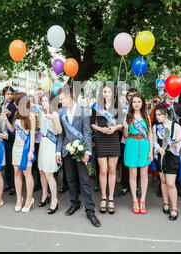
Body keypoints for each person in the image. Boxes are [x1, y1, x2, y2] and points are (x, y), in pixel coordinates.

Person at [56, 88, 100, 227]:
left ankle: (90, 211)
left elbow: (87, 132)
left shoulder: (83, 110)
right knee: (70, 179)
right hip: (67, 150)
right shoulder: (61, 112)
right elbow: (61, 135)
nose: (60, 101)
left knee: (84, 180)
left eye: (62, 98)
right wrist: (58, 152)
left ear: (69, 97)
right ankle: (74, 203)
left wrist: (87, 152)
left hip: (80, 150)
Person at [91, 84, 122, 214]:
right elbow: (92, 124)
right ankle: (103, 196)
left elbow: (121, 124)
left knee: (112, 169)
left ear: (113, 93)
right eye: (104, 91)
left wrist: (114, 128)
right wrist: (101, 129)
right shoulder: (96, 106)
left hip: (113, 139)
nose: (107, 94)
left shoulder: (118, 107)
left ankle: (111, 198)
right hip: (101, 139)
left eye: (109, 91)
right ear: (101, 93)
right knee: (103, 170)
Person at [4, 92, 36, 213]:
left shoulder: (31, 115)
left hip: (26, 148)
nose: (13, 103)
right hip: (16, 147)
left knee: (27, 173)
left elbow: (32, 135)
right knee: (16, 172)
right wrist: (5, 120)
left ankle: (29, 199)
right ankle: (19, 199)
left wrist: (31, 151)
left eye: (14, 101)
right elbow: (13, 130)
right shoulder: (16, 114)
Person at [123, 93, 153, 215]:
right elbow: (125, 136)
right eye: (134, 101)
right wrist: (125, 128)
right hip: (131, 144)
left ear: (142, 103)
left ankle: (143, 200)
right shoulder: (128, 116)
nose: (136, 104)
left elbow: (150, 134)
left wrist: (151, 151)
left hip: (144, 145)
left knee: (144, 174)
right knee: (133, 174)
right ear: (131, 103)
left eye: (139, 101)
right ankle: (135, 200)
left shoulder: (147, 117)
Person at [153, 106, 181, 220]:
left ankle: (174, 208)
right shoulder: (156, 127)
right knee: (163, 181)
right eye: (156, 115)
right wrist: (158, 148)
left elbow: (180, 141)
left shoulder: (176, 126)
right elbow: (154, 141)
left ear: (166, 115)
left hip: (171, 156)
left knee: (170, 183)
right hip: (161, 155)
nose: (157, 117)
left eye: (159, 114)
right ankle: (166, 203)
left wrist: (174, 145)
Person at [38, 93, 62, 214]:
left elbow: (59, 131)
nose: (44, 103)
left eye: (46, 100)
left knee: (48, 174)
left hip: (51, 145)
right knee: (42, 171)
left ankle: (54, 199)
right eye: (42, 101)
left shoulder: (55, 114)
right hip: (43, 142)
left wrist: (53, 119)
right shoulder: (41, 113)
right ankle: (44, 194)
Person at [1, 86, 17, 197]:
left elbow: (13, 117)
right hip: (2, 136)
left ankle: (14, 186)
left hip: (11, 137)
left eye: (11, 93)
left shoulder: (13, 106)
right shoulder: (1, 105)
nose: (9, 96)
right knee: (6, 162)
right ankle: (8, 183)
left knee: (12, 162)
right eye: (7, 93)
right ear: (4, 95)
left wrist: (9, 113)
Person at [32, 88, 45, 193]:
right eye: (37, 94)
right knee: (37, 164)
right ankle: (39, 183)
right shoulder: (33, 108)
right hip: (36, 140)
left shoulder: (46, 107)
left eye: (41, 94)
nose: (39, 96)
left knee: (45, 163)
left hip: (45, 139)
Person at [117, 93, 129, 196]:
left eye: (123, 101)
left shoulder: (130, 111)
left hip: (132, 138)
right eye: (120, 101)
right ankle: (124, 185)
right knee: (124, 162)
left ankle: (135, 186)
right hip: (120, 138)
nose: (122, 103)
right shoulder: (116, 111)